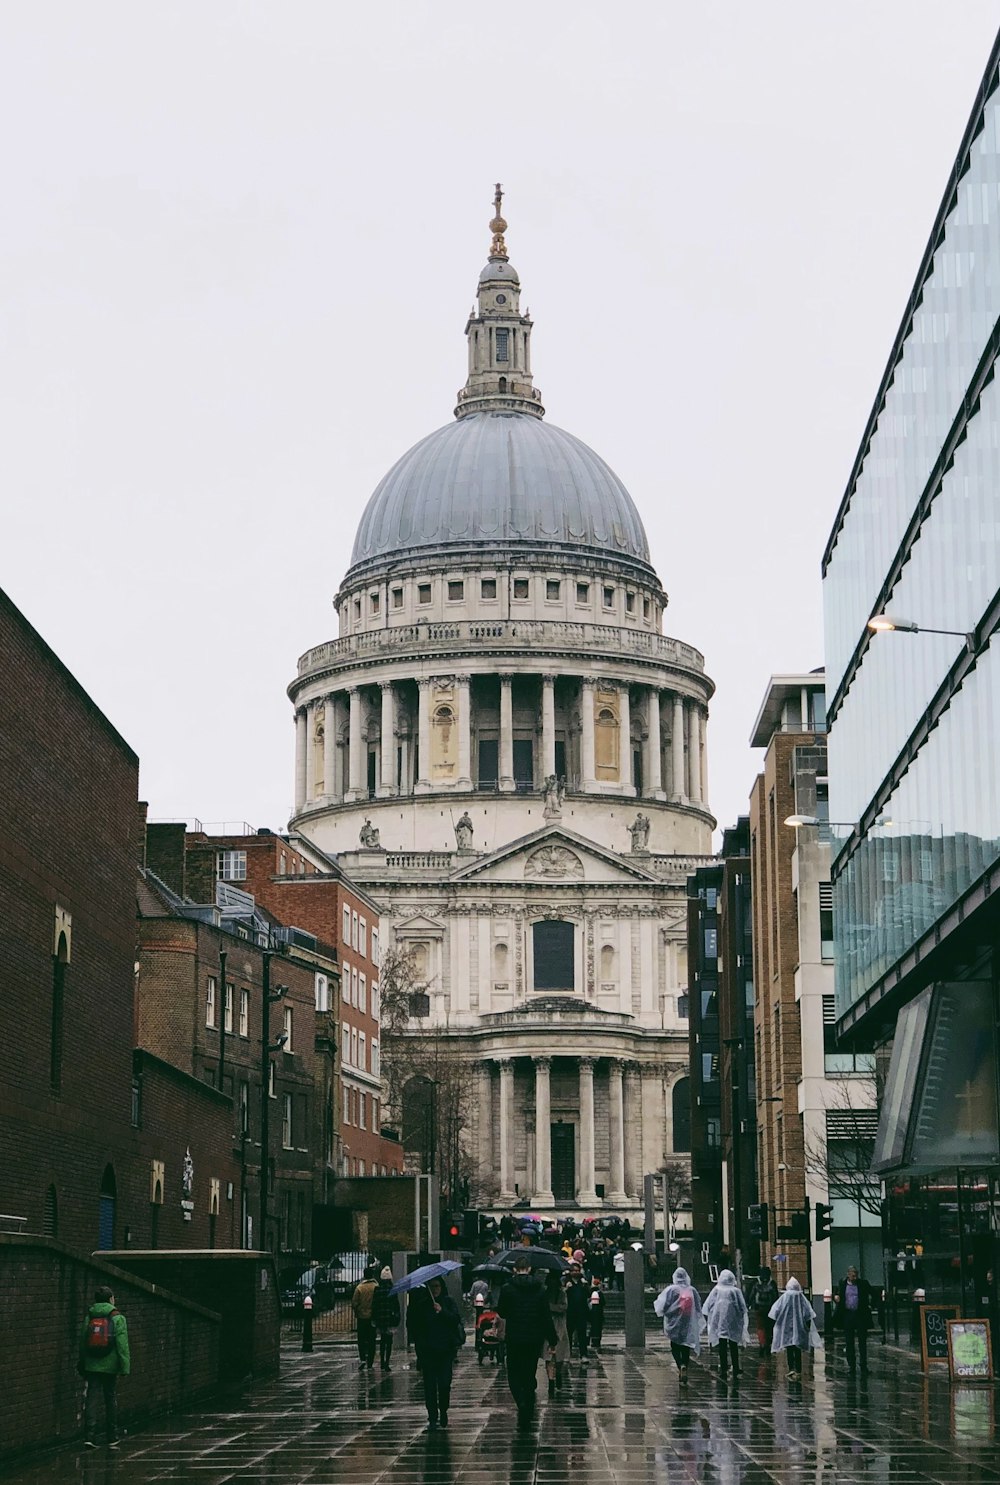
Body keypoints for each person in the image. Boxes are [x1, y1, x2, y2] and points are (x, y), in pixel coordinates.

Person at [497, 1253, 558, 1426]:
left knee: (514, 1374)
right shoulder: (539, 1289)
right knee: (529, 1372)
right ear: (529, 1269)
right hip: (534, 1338)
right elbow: (545, 1316)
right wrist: (552, 1339)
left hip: (515, 1337)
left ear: (515, 1269)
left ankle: (522, 1402)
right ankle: (528, 1404)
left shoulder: (507, 1288)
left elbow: (502, 1312)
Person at [407, 1277, 463, 1430]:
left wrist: (442, 1311)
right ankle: (432, 1416)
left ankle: (443, 1409)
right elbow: (416, 1327)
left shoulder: (448, 1301)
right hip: (428, 1352)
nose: (435, 1289)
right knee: (430, 1386)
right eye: (432, 1287)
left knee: (445, 1384)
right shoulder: (422, 1305)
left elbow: (455, 1319)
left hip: (445, 1351)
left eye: (437, 1286)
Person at [79, 1285, 130, 1448]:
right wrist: (124, 1367)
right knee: (110, 1397)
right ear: (111, 1299)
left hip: (92, 1364)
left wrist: (82, 1362)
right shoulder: (117, 1317)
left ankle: (89, 1436)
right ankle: (112, 1436)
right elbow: (122, 1345)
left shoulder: (89, 1316)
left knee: (92, 1397)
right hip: (110, 1365)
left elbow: (83, 1341)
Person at [653, 1267, 703, 1384]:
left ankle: (680, 1365)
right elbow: (698, 1306)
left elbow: (662, 1304)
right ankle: (685, 1364)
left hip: (674, 1321)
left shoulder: (671, 1289)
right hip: (687, 1321)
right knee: (686, 1345)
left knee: (675, 1345)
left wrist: (666, 1312)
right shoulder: (692, 1290)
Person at [769, 1277, 821, 1380]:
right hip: (799, 1327)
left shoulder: (784, 1297)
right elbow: (808, 1313)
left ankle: (791, 1367)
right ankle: (798, 1369)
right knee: (797, 1348)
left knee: (789, 1347)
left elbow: (775, 1311)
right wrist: (806, 1326)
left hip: (786, 1327)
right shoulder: (800, 1297)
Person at [703, 1269, 750, 1380]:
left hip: (719, 1322)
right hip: (734, 1322)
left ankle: (723, 1368)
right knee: (733, 1345)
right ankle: (736, 1367)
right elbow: (742, 1307)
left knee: (722, 1345)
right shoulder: (735, 1291)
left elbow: (708, 1304)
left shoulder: (717, 1290)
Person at [834, 1265, 874, 1373]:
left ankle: (863, 1365)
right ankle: (851, 1366)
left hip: (860, 1314)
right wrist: (836, 1298)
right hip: (848, 1314)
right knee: (849, 1341)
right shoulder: (842, 1283)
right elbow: (838, 1294)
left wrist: (871, 1305)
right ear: (848, 1275)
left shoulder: (863, 1284)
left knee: (862, 1341)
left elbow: (873, 1293)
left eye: (856, 1275)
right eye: (852, 1275)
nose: (854, 1278)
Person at [371, 1267, 401, 1371]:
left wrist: (374, 1318)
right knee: (389, 1341)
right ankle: (387, 1362)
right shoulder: (392, 1290)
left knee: (382, 1341)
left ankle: (382, 1362)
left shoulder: (377, 1289)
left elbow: (374, 1305)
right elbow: (396, 1306)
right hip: (390, 1319)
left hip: (380, 1318)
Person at [351, 1263, 380, 1370]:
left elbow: (354, 1303)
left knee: (362, 1339)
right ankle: (370, 1361)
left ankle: (363, 1358)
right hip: (373, 1317)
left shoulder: (359, 1288)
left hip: (362, 1317)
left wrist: (358, 1310)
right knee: (372, 1339)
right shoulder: (376, 1286)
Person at [544, 1273, 569, 1396]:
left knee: (559, 1357)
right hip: (547, 1327)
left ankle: (557, 1374)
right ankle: (551, 1381)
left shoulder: (562, 1294)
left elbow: (563, 1307)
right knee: (548, 1358)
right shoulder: (543, 1294)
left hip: (560, 1328)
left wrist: (551, 1307)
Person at [745, 1266, 779, 1357]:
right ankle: (768, 1345)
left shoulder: (756, 1283)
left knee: (760, 1327)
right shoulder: (772, 1284)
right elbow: (776, 1297)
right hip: (770, 1309)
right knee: (769, 1328)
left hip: (759, 1308)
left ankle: (762, 1343)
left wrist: (748, 1304)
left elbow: (751, 1294)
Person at [564, 1266, 590, 1361]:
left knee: (582, 1334)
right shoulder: (567, 1282)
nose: (576, 1272)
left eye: (577, 1270)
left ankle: (583, 1354)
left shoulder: (582, 1283)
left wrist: (586, 1285)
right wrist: (566, 1288)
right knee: (568, 1334)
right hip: (570, 1311)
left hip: (581, 1312)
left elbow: (588, 1295)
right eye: (574, 1270)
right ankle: (567, 1354)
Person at [587, 1278, 606, 1352]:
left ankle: (592, 1340)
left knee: (593, 1327)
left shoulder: (590, 1292)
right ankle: (596, 1341)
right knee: (597, 1328)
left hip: (591, 1313)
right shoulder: (599, 1293)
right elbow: (603, 1303)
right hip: (598, 1313)